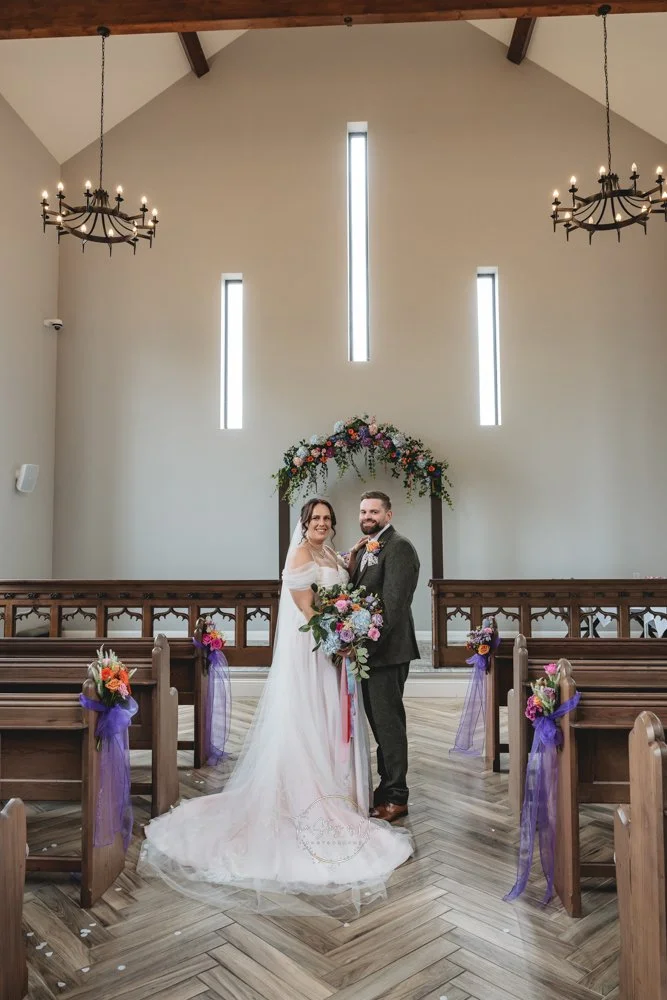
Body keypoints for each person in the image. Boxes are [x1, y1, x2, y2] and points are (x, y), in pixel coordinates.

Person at [138, 498, 413, 916]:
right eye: (315, 518)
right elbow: (307, 606)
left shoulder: (363, 551)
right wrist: (341, 627)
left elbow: (372, 596)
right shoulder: (304, 553)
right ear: (304, 524)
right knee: (313, 718)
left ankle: (377, 793)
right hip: (316, 647)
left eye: (327, 518)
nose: (322, 523)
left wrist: (349, 617)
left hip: (347, 650)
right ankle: (319, 792)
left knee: (363, 720)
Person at [347, 492, 420, 823]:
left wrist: (363, 648)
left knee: (389, 725)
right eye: (363, 511)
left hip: (386, 652)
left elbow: (392, 605)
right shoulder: (366, 547)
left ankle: (396, 797)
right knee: (379, 722)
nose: (367, 515)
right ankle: (385, 787)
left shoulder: (399, 547)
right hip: (370, 653)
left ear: (388, 515)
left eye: (374, 511)